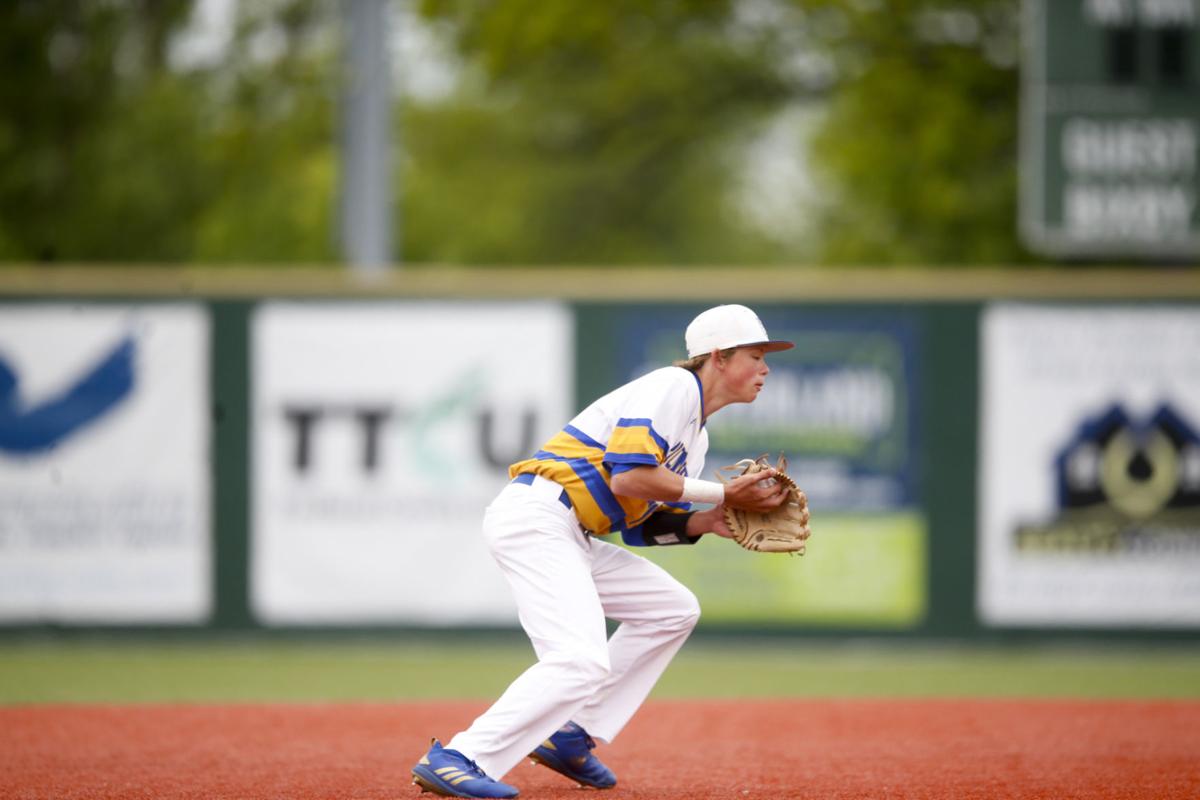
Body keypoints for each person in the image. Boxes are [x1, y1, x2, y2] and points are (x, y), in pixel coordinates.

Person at [411, 304, 794, 799]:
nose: (765, 368)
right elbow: (629, 475)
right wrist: (725, 494)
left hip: (572, 531)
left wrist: (708, 521)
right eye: (756, 355)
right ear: (718, 357)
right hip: (538, 515)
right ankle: (460, 757)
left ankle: (571, 735)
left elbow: (638, 522)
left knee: (672, 609)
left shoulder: (695, 439)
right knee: (579, 658)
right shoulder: (672, 388)